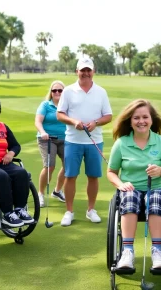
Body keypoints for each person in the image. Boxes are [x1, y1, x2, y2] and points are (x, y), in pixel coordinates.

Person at [107, 99, 161, 269]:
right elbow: (111, 172)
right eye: (136, 118)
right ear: (130, 121)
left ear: (152, 119)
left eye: (145, 117)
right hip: (131, 189)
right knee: (129, 197)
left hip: (157, 188)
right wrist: (120, 184)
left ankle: (157, 252)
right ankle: (127, 252)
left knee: (155, 197)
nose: (141, 121)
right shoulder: (121, 143)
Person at [57, 57, 112, 226]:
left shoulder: (101, 92)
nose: (86, 73)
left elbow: (108, 116)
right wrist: (74, 122)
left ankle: (91, 210)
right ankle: (69, 211)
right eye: (83, 70)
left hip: (94, 141)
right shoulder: (68, 91)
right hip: (73, 141)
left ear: (93, 72)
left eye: (89, 70)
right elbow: (60, 114)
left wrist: (96, 122)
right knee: (70, 175)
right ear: (77, 71)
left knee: (93, 176)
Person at [0, 96, 34, 227]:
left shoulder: (3, 127)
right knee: (1, 176)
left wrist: (11, 153)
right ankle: (7, 214)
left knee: (22, 173)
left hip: (3, 163)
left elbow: (15, 145)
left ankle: (20, 209)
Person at [35, 80, 66, 208]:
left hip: (65, 139)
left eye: (60, 90)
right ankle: (40, 194)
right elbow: (38, 121)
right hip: (47, 139)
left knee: (69, 166)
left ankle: (57, 191)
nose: (57, 92)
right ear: (51, 93)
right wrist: (42, 132)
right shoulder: (45, 105)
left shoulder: (67, 105)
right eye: (54, 90)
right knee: (49, 166)